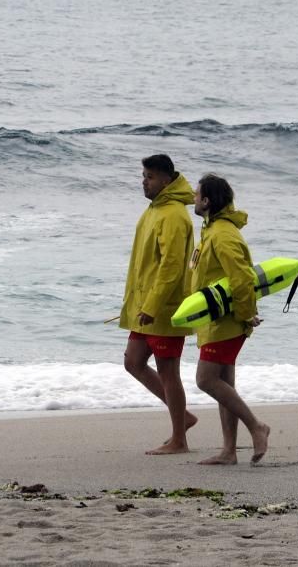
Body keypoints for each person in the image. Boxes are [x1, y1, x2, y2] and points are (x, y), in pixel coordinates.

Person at [120, 154, 198, 455]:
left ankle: (179, 439)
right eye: (143, 175)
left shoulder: (174, 215)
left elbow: (171, 267)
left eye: (150, 176)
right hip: (146, 306)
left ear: (166, 179)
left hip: (164, 308)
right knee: (133, 362)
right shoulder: (153, 210)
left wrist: (153, 305)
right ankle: (184, 418)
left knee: (168, 370)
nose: (144, 181)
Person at [190, 173, 270, 464]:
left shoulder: (222, 234)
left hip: (227, 320)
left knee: (205, 379)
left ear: (208, 201)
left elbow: (240, 279)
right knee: (224, 383)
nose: (193, 199)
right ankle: (229, 451)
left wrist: (247, 315)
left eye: (197, 195)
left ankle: (256, 426)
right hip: (217, 320)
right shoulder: (211, 229)